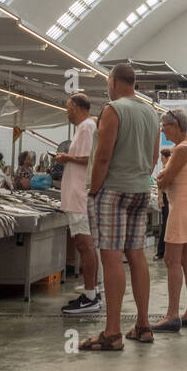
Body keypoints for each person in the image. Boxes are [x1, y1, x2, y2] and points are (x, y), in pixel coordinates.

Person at [79, 63, 158, 352]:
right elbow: (151, 159)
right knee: (136, 255)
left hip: (112, 191)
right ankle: (143, 324)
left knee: (111, 258)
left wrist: (96, 188)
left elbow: (102, 157)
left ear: (112, 82)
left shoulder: (113, 110)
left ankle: (112, 332)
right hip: (139, 190)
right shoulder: (151, 112)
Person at [150, 110, 187, 332]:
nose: (162, 130)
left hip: (180, 207)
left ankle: (172, 314)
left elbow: (164, 178)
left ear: (175, 125)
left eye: (164, 125)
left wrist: (162, 177)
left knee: (172, 260)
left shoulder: (181, 149)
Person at [56, 94, 101, 315]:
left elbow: (88, 159)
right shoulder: (84, 127)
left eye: (68, 107)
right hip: (76, 196)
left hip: (79, 196)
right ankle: (93, 290)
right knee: (85, 245)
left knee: (85, 245)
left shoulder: (86, 127)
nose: (66, 111)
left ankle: (91, 297)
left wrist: (66, 157)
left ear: (77, 107)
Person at [154, 147, 173, 261]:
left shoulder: (168, 168)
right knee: (166, 225)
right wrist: (160, 199)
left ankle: (162, 251)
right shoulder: (165, 169)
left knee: (167, 225)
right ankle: (161, 251)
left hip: (169, 198)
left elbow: (160, 185)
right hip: (167, 198)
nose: (161, 160)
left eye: (162, 158)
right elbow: (160, 185)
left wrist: (160, 198)